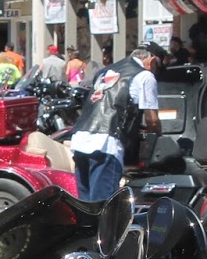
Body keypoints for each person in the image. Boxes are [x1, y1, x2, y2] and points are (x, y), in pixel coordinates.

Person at [70, 44, 163, 202]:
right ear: (152, 60)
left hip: (80, 139)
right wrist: (159, 137)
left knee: (85, 205)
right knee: (103, 206)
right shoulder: (144, 76)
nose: (156, 71)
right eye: (157, 67)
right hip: (106, 142)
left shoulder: (105, 71)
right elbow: (152, 120)